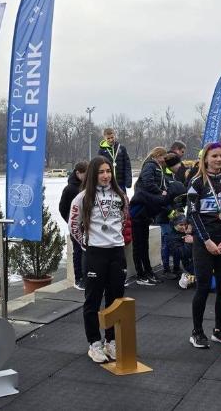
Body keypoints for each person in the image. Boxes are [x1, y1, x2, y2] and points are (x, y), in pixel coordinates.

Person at [69, 156, 129, 363]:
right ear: (93, 175)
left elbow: (123, 220)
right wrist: (87, 246)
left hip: (117, 252)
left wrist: (115, 240)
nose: (105, 176)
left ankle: (111, 341)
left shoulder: (120, 195)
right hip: (95, 253)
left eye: (108, 171)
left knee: (115, 300)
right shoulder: (82, 197)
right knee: (93, 300)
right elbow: (74, 227)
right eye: (101, 172)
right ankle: (94, 343)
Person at [186, 142, 221, 349]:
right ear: (206, 159)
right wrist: (206, 240)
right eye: (215, 156)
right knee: (202, 287)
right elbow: (193, 215)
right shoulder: (196, 183)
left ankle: (219, 329)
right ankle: (197, 332)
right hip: (204, 243)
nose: (219, 159)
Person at [130, 147, 170, 285]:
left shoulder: (157, 167)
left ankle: (148, 271)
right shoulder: (150, 166)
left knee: (144, 244)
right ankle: (141, 274)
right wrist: (161, 192)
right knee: (138, 245)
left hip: (146, 211)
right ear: (158, 155)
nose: (165, 161)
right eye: (164, 157)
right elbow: (148, 183)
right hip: (139, 210)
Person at [59, 161, 89, 290]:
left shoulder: (88, 186)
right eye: (85, 174)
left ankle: (87, 276)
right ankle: (79, 278)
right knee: (78, 251)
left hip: (88, 225)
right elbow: (63, 208)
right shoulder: (70, 189)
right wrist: (72, 222)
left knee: (88, 251)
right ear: (77, 173)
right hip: (76, 226)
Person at [157, 153, 185, 279]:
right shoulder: (163, 176)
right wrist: (170, 212)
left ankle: (176, 267)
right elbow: (161, 198)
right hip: (165, 216)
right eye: (178, 163)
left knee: (178, 240)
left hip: (176, 215)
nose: (180, 166)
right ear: (172, 164)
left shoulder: (175, 175)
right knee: (167, 242)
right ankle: (166, 268)